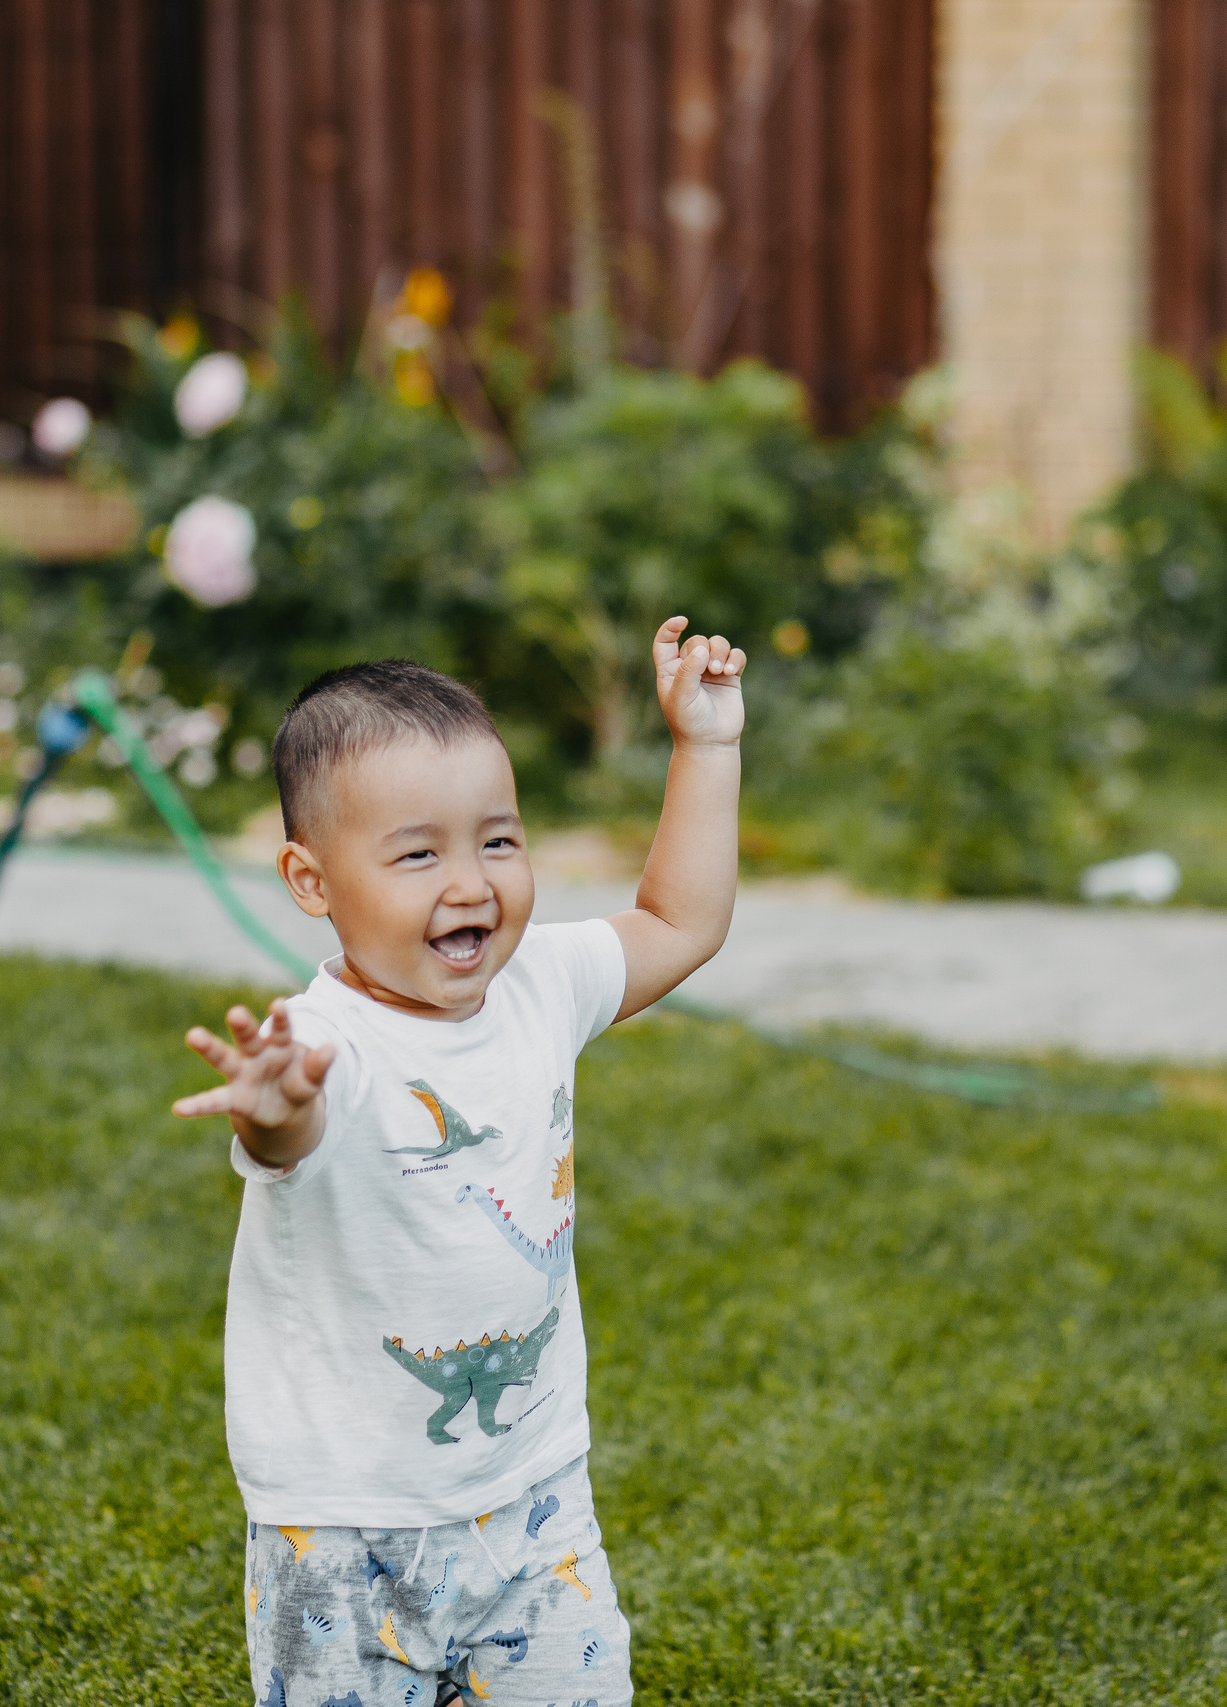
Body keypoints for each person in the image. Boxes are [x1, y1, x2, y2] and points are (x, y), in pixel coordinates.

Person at [174, 617, 746, 1707]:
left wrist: (704, 748)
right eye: (417, 853)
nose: (473, 882)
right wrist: (272, 1110)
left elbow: (681, 919)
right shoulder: (321, 1043)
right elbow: (289, 1136)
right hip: (344, 1526)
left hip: (533, 1494)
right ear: (312, 880)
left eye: (497, 840)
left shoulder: (540, 984)